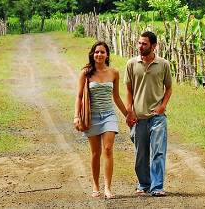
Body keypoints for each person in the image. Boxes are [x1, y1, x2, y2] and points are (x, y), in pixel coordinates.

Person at [74, 41, 129, 199]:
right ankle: (95, 186)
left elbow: (116, 97)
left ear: (107, 55)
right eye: (97, 52)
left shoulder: (114, 73)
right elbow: (78, 97)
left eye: (102, 52)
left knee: (108, 149)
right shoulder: (86, 73)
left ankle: (108, 188)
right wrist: (76, 116)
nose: (99, 54)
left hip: (109, 116)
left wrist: (127, 115)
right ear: (92, 54)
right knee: (95, 153)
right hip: (91, 117)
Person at [125, 31, 173, 197]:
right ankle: (144, 184)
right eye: (139, 43)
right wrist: (129, 111)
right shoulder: (131, 64)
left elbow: (169, 88)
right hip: (138, 118)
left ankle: (157, 187)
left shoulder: (163, 64)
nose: (140, 46)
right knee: (141, 154)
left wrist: (163, 106)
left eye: (144, 44)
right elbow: (129, 90)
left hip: (157, 117)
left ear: (153, 46)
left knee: (158, 152)